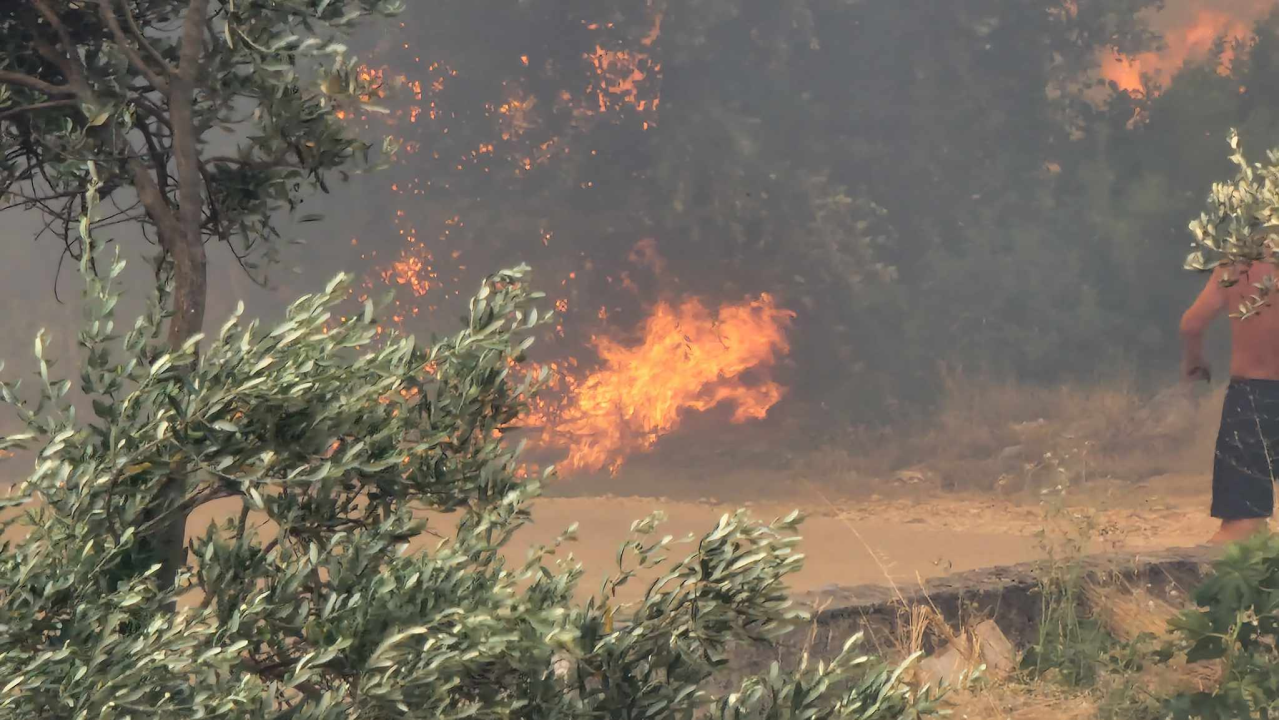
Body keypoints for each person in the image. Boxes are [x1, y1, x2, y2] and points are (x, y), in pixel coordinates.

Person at [1181, 259, 1279, 544]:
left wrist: (1194, 362)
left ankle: (1206, 585)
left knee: (1242, 526)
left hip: (1253, 399)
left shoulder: (1239, 263)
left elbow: (1192, 325)